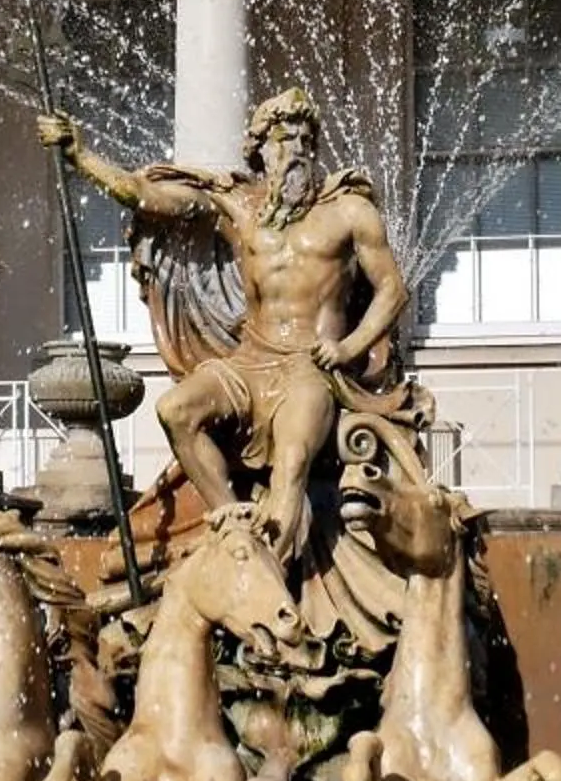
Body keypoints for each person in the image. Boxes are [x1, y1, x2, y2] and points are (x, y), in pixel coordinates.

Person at [39, 87, 406, 565]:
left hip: (310, 367)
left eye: (304, 140)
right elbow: (144, 194)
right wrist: (80, 156)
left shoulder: (349, 211)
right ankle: (233, 530)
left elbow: (393, 290)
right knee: (175, 409)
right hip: (248, 361)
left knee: (293, 461)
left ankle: (278, 575)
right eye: (281, 139)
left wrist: (349, 347)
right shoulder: (239, 208)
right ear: (260, 151)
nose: (295, 151)